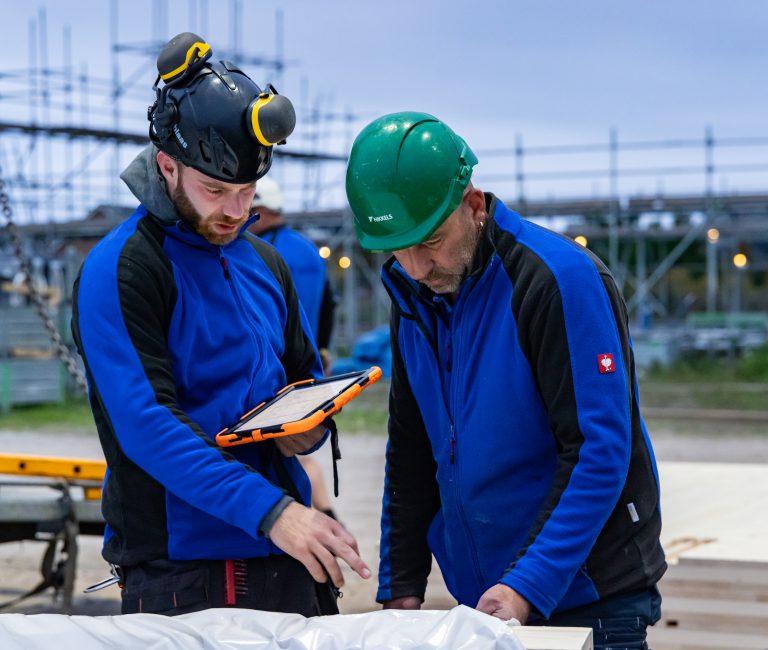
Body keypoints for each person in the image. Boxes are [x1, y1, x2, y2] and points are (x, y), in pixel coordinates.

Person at [71, 32, 369, 617]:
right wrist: (273, 511)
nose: (237, 212)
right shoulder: (124, 267)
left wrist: (307, 429)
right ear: (166, 165)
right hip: (187, 568)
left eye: (248, 191)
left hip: (288, 553)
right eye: (216, 191)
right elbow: (148, 425)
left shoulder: (265, 261)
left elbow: (301, 377)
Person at [345, 112, 665, 648]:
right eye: (398, 249)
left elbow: (597, 450)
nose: (417, 266)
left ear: (473, 204)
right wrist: (401, 584)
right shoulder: (415, 297)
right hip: (493, 605)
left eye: (431, 241)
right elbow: (412, 448)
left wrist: (527, 584)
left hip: (590, 603)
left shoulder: (558, 282)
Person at [249, 178, 339, 518]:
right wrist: (323, 351)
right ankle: (325, 516)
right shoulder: (306, 249)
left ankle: (322, 518)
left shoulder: (262, 255)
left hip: (277, 366)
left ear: (260, 211)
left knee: (286, 455)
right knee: (300, 448)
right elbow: (330, 303)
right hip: (308, 361)